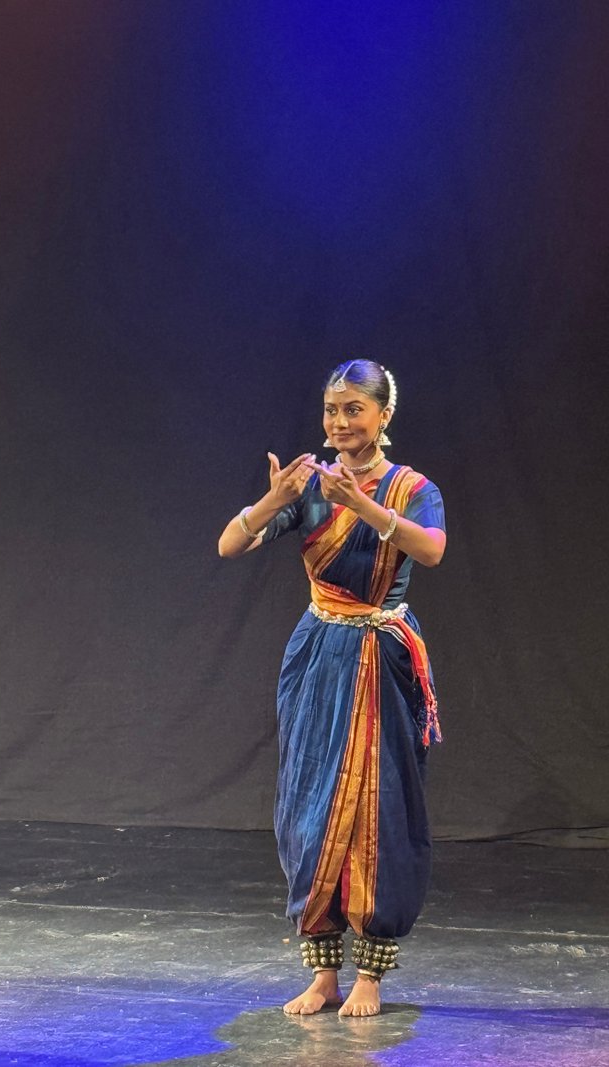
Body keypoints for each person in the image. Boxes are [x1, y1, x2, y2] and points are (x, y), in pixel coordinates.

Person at [218, 359, 446, 1018]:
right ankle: (323, 973)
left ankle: (371, 973)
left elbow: (431, 550)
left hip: (380, 656)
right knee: (310, 801)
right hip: (318, 655)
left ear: (383, 415)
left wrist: (364, 506)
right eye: (331, 410)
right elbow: (230, 544)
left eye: (354, 409)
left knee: (378, 805)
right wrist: (274, 501)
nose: (340, 422)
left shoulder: (412, 487)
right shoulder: (310, 484)